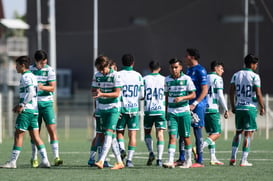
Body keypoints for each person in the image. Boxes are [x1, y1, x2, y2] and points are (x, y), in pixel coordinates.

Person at [0, 56, 50, 169]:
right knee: (36, 137)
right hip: (34, 111)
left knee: (18, 135)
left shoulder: (26, 76)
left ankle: (12, 162)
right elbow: (31, 92)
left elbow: (31, 92)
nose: (15, 67)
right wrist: (19, 104)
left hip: (26, 111)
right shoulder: (32, 76)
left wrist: (22, 105)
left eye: (17, 65)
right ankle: (45, 161)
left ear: (22, 65)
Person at [229, 54, 265, 167]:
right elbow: (258, 93)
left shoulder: (236, 75)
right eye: (256, 64)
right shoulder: (255, 76)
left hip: (239, 107)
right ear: (252, 64)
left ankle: (232, 157)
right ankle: (243, 160)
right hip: (250, 108)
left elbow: (231, 91)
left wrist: (233, 106)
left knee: (238, 132)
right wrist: (262, 106)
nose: (256, 66)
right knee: (248, 134)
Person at [29, 50, 63, 167]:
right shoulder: (30, 70)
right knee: (35, 133)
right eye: (41, 63)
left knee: (52, 130)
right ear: (36, 61)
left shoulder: (49, 70)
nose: (43, 65)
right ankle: (34, 158)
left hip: (47, 104)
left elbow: (52, 88)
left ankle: (56, 157)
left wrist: (42, 87)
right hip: (33, 105)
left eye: (45, 62)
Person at [177, 48, 208, 168]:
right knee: (182, 131)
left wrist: (195, 103)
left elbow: (205, 90)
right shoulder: (188, 70)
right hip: (185, 106)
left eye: (186, 56)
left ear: (192, 57)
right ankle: (181, 158)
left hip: (198, 106)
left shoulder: (201, 70)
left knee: (197, 131)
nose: (185, 58)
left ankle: (200, 160)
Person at [92, 55, 124, 170]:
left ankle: (101, 160)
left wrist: (102, 94)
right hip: (102, 108)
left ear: (107, 65)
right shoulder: (97, 75)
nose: (101, 71)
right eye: (99, 69)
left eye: (102, 69)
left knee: (108, 133)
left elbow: (116, 93)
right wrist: (95, 93)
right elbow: (93, 90)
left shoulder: (116, 75)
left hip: (113, 108)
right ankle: (120, 162)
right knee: (112, 136)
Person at [163, 58, 196, 169]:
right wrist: (166, 111)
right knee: (172, 136)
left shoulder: (187, 79)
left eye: (176, 67)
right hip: (172, 113)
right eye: (172, 67)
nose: (174, 69)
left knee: (185, 137)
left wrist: (182, 97)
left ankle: (188, 161)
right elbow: (166, 96)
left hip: (184, 112)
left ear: (181, 67)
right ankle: (170, 161)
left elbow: (193, 95)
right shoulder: (166, 80)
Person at [87, 60, 117, 167]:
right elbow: (94, 94)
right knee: (101, 135)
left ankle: (95, 159)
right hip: (101, 109)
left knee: (102, 135)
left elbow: (117, 93)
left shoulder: (114, 76)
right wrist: (96, 109)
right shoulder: (99, 76)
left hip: (108, 108)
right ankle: (98, 159)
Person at [117, 54, 144, 167]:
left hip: (121, 109)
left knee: (119, 132)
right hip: (133, 109)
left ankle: (122, 149)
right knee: (132, 135)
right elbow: (142, 95)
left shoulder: (117, 75)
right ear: (133, 63)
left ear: (122, 63)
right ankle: (129, 160)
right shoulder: (138, 76)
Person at [203, 61, 229, 165]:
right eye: (221, 68)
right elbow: (220, 95)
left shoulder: (205, 77)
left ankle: (213, 158)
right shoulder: (218, 78)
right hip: (213, 109)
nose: (223, 71)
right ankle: (199, 148)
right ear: (216, 68)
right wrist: (226, 109)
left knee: (211, 134)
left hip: (204, 109)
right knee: (217, 133)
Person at [143, 61, 166, 167]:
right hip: (160, 110)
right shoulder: (164, 79)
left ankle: (151, 152)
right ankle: (160, 159)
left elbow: (141, 95)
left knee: (147, 133)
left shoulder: (145, 79)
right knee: (160, 134)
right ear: (159, 68)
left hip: (148, 110)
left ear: (149, 68)